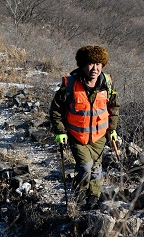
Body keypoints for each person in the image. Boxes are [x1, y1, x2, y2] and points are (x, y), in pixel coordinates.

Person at [49, 45, 119, 210]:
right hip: (77, 136)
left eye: (98, 64)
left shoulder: (106, 85)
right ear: (82, 65)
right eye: (90, 63)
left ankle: (93, 198)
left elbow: (113, 108)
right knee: (86, 167)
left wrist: (112, 129)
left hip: (99, 137)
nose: (94, 68)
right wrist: (60, 131)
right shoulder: (70, 85)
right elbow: (55, 109)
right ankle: (79, 196)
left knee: (96, 169)